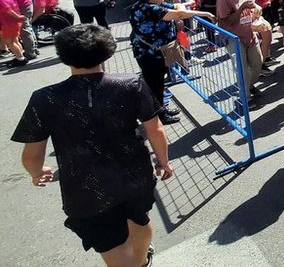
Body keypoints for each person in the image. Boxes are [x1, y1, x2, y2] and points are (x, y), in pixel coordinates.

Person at [10, 24, 172, 267]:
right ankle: (140, 261)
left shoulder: (44, 98)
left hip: (84, 184)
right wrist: (163, 162)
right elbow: (156, 130)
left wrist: (37, 172)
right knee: (139, 218)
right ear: (107, 52)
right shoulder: (131, 84)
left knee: (107, 239)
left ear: (63, 55)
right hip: (133, 172)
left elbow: (32, 154)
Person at [130, 0, 214, 125]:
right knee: (155, 85)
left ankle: (161, 110)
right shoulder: (151, 9)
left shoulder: (146, 4)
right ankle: (159, 116)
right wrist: (205, 13)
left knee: (158, 83)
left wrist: (183, 4)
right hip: (150, 54)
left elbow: (176, 7)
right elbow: (179, 13)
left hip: (155, 52)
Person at [216, 0, 271, 97]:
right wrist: (242, 8)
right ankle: (245, 98)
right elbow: (227, 22)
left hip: (250, 34)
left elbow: (248, 9)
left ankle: (249, 86)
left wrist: (255, 10)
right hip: (235, 39)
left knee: (258, 63)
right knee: (242, 70)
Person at [0, 0, 27, 66]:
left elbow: (9, 11)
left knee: (10, 42)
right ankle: (21, 55)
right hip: (14, 23)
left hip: (8, 23)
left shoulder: (2, 0)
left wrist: (18, 17)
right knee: (15, 40)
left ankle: (20, 58)